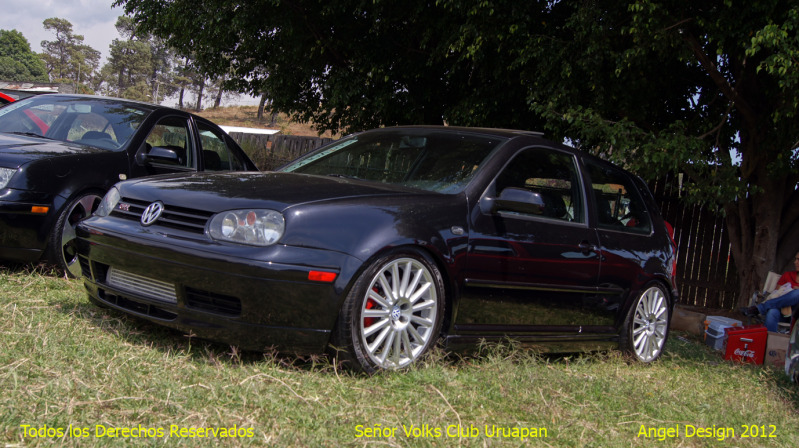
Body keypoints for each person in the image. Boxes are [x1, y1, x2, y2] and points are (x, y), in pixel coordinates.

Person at [740, 251, 799, 332]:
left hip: (796, 316)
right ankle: (769, 342)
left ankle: (760, 308)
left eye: (798, 260)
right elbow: (777, 293)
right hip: (782, 312)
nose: (795, 262)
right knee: (772, 312)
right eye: (795, 259)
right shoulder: (787, 275)